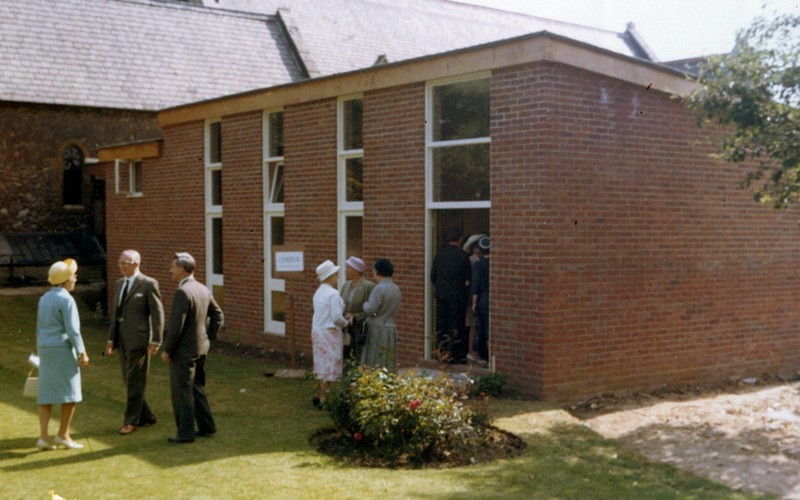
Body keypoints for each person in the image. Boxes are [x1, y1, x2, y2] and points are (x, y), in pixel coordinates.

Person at [160, 252, 223, 443]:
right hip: (200, 350)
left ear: (181, 269)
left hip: (184, 352)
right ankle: (207, 426)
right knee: (197, 388)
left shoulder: (182, 292)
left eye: (173, 267)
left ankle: (185, 433)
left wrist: (167, 350)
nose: (170, 270)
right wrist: (208, 338)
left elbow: (176, 326)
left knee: (183, 392)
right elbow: (218, 314)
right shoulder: (202, 288)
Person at [106, 250, 164, 435]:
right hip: (122, 340)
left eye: (126, 263)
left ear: (137, 263)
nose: (122, 266)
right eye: (120, 262)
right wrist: (111, 339)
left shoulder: (148, 284)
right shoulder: (119, 284)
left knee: (134, 381)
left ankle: (131, 421)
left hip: (140, 341)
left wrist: (156, 340)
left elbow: (158, 314)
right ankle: (147, 415)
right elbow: (116, 314)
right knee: (130, 380)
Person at [36, 258, 90, 451]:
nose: (75, 278)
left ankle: (44, 437)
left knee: (46, 393)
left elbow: (40, 328)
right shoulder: (66, 299)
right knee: (71, 393)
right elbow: (73, 330)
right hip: (62, 349)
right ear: (66, 279)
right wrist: (82, 352)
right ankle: (63, 435)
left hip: (46, 349)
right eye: (73, 275)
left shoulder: (44, 298)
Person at [311, 260, 350, 408]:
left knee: (321, 364)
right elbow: (336, 318)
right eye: (335, 274)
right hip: (330, 332)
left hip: (318, 331)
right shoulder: (333, 294)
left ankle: (319, 394)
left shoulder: (319, 292)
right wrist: (347, 323)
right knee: (330, 365)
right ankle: (324, 400)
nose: (337, 277)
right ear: (330, 276)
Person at [430, 228, 471, 363]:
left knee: (441, 323)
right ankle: (452, 354)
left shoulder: (440, 254)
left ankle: (440, 351)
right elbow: (468, 277)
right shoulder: (463, 256)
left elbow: (433, 275)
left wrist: (441, 287)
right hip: (457, 297)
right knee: (454, 325)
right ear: (460, 239)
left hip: (441, 295)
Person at [361, 258, 402, 371]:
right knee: (388, 359)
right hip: (391, 326)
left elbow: (371, 310)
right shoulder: (395, 288)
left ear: (378, 272)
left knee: (375, 359)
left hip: (377, 327)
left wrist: (365, 304)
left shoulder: (379, 289)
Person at [340, 256, 376, 362]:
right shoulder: (346, 285)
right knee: (346, 351)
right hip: (346, 326)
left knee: (359, 353)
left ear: (356, 270)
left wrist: (355, 316)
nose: (346, 270)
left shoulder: (368, 286)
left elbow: (371, 309)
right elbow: (340, 303)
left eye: (348, 268)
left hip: (360, 326)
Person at [462, 233, 487, 363]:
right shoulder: (472, 261)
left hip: (477, 297)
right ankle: (472, 351)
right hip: (473, 298)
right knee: (473, 325)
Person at [469, 236, 491, 365]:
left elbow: (475, 286)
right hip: (492, 299)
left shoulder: (479, 264)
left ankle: (482, 355)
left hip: (482, 300)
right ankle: (491, 358)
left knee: (482, 329)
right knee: (490, 328)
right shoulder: (494, 263)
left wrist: (474, 303)